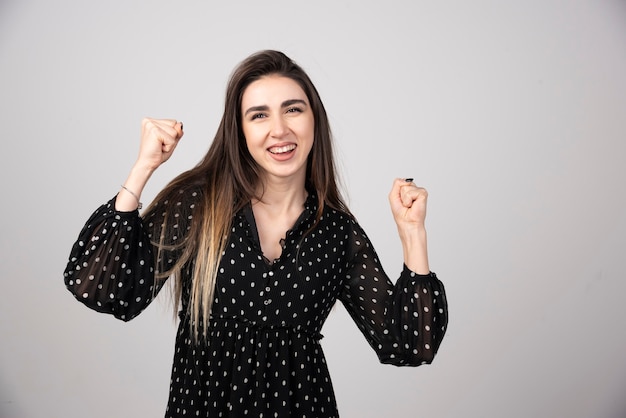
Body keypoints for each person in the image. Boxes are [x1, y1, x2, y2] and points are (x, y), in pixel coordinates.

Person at [64, 50, 448, 417]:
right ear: (241, 131)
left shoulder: (337, 233)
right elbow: (105, 290)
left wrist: (412, 232)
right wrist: (143, 168)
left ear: (315, 120)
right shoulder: (199, 204)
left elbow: (408, 344)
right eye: (259, 115)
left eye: (293, 110)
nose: (279, 130)